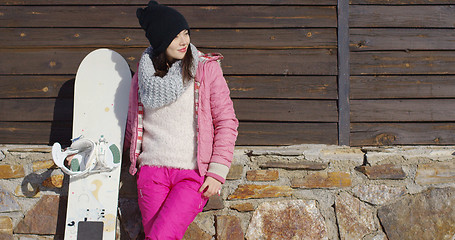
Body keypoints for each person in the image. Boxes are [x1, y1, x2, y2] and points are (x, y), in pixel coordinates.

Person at [123, 1, 239, 239]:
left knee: (160, 237)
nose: (184, 41)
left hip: (191, 174)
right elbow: (131, 126)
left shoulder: (206, 69)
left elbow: (226, 121)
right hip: (151, 173)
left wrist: (217, 171)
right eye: (175, 36)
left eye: (185, 33)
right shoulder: (143, 76)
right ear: (160, 40)